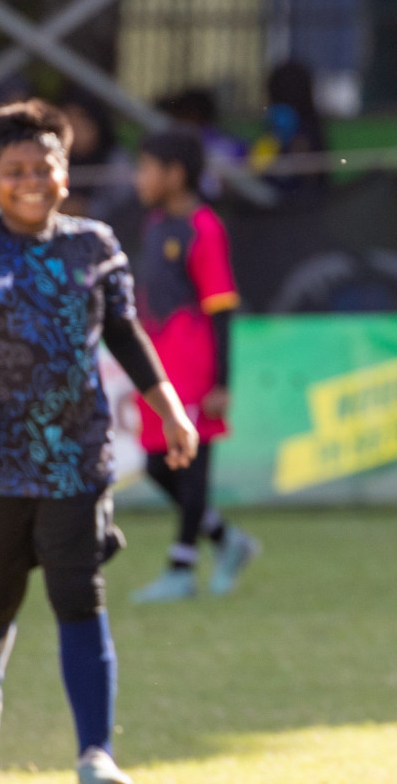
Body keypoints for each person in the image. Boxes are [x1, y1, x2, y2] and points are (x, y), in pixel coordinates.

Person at [0, 100, 198, 784]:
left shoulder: (95, 245)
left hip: (76, 459)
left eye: (43, 166)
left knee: (80, 599)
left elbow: (126, 335)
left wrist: (167, 407)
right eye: (13, 170)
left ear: (65, 172)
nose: (30, 180)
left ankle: (95, 756)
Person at [127, 129, 260, 603]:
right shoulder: (155, 224)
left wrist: (222, 380)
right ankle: (227, 540)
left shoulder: (205, 228)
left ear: (175, 174)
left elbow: (221, 307)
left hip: (194, 366)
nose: (138, 177)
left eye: (146, 168)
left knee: (192, 470)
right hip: (159, 367)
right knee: (157, 466)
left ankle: (181, 568)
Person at [58, 87, 141, 242]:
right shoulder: (54, 158)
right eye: (68, 118)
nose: (74, 127)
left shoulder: (115, 158)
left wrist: (87, 209)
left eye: (81, 119)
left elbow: (126, 208)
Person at [157, 87, 250, 203]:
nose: (174, 122)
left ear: (193, 114)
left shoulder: (221, 146)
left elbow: (211, 192)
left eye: (179, 115)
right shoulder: (235, 143)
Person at [250, 60, 329, 194]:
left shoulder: (306, 132)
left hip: (296, 207)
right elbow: (257, 168)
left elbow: (311, 178)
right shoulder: (274, 129)